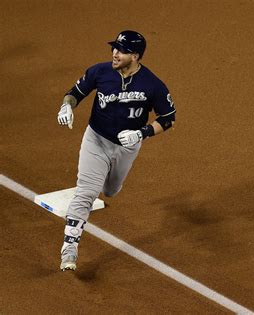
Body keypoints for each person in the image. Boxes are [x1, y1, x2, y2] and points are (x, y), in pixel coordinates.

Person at [57, 30, 176, 271]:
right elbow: (74, 94)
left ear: (135, 55)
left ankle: (108, 181)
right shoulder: (100, 72)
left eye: (121, 50)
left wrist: (141, 133)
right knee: (86, 192)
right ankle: (69, 248)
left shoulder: (152, 85)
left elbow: (168, 118)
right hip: (96, 140)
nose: (114, 53)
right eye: (114, 48)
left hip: (127, 147)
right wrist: (66, 107)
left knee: (110, 190)